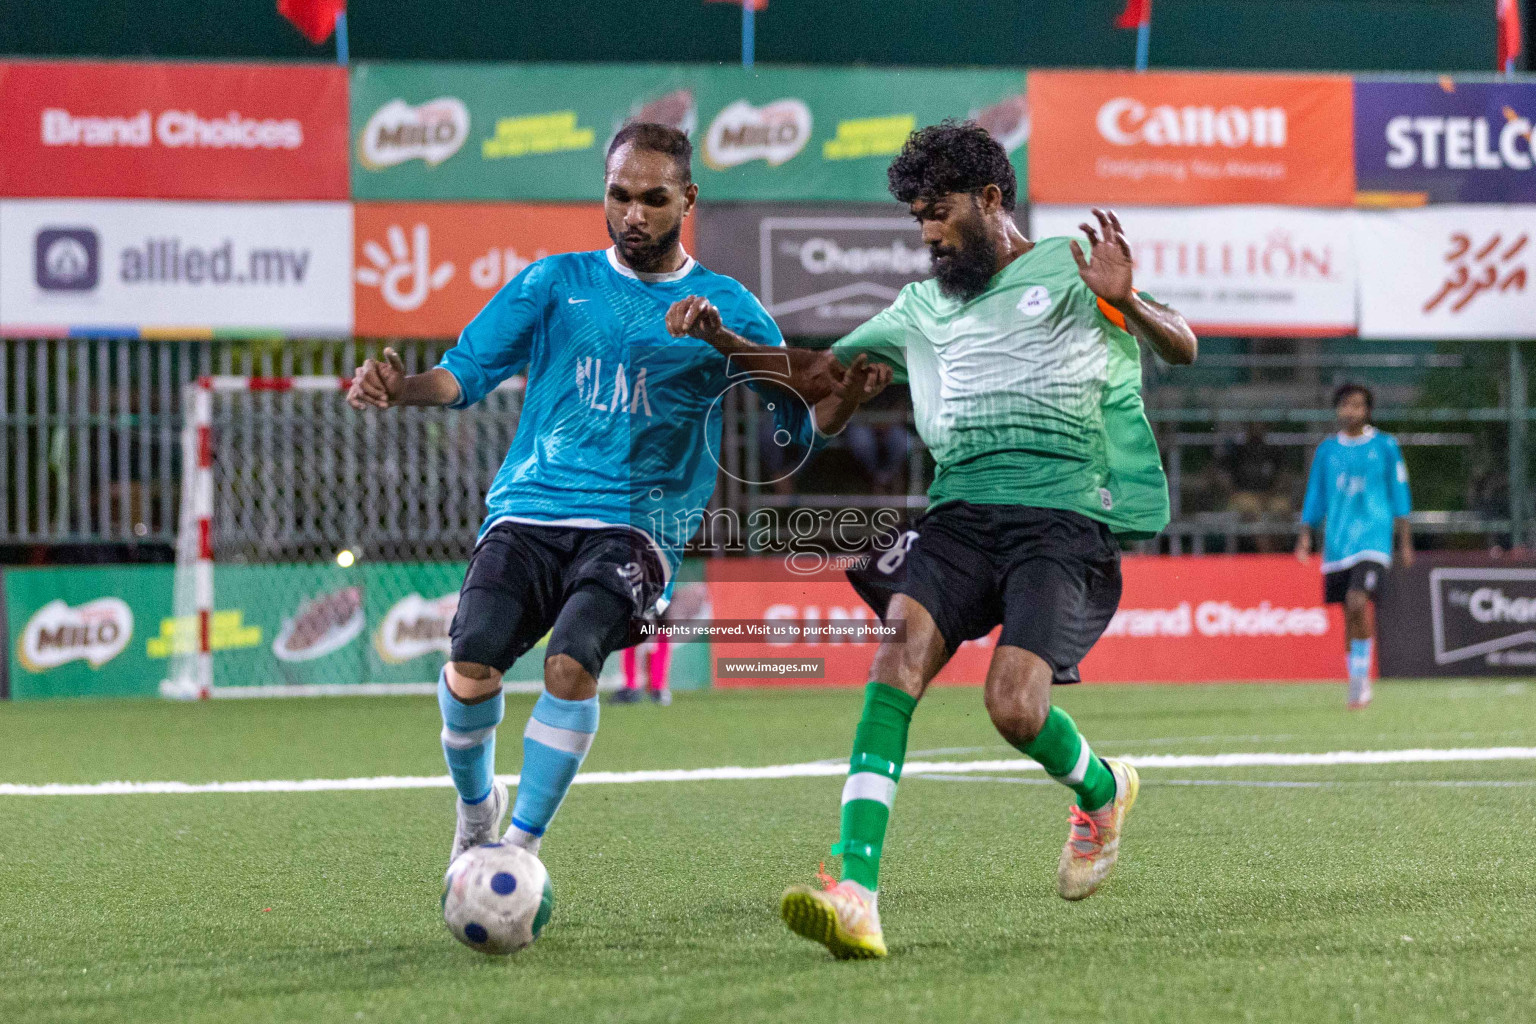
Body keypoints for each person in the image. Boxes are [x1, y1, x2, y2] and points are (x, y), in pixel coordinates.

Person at [666, 120, 1198, 959]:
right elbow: (815, 377)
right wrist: (723, 343)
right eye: (917, 217)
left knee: (1015, 709)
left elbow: (1185, 345)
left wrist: (1129, 301)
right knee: (897, 655)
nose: (927, 233)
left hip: (1062, 519)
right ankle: (856, 893)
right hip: (959, 515)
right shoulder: (919, 308)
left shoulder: (1070, 266)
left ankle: (1102, 791)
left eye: (939, 212)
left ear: (991, 200)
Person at [347, 123, 890, 872]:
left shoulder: (725, 304)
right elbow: (462, 374)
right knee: (470, 672)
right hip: (530, 508)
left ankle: (518, 852)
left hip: (637, 528)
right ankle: (477, 813)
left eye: (654, 199)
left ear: (687, 199)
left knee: (572, 664)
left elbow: (806, 422)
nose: (633, 214)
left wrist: (844, 398)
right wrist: (400, 388)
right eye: (619, 196)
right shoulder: (553, 282)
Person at [1295, 383, 1413, 709]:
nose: (1352, 411)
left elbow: (1399, 492)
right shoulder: (1327, 450)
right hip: (1338, 542)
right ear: (1337, 409)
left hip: (1374, 539)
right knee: (1349, 611)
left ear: (1368, 410)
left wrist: (1404, 540)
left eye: (1359, 406)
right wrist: (1306, 534)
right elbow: (1315, 495)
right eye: (1346, 405)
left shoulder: (1386, 446)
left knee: (1358, 600)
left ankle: (1360, 681)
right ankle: (1356, 678)